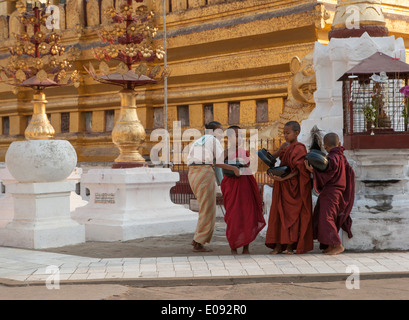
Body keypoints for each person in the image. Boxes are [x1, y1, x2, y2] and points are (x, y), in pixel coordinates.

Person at [187, 121, 241, 252]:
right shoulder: (213, 140)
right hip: (205, 172)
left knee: (205, 206)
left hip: (193, 174)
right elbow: (220, 161)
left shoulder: (199, 141)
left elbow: (215, 162)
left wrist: (220, 182)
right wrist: (234, 168)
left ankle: (197, 239)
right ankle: (198, 242)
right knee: (208, 208)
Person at [265, 121, 313, 255]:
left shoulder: (300, 148)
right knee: (279, 215)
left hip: (293, 186)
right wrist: (279, 150)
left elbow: (300, 169)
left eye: (288, 133)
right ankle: (278, 246)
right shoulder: (285, 146)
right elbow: (271, 159)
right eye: (284, 133)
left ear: (296, 133)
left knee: (292, 216)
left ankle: (290, 246)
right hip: (281, 185)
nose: (285, 135)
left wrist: (284, 178)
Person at [304, 132, 355, 255]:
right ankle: (329, 245)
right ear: (338, 143)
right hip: (334, 192)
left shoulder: (332, 158)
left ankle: (337, 245)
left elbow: (328, 174)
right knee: (322, 216)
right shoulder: (341, 157)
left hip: (332, 192)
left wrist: (313, 171)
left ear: (325, 146)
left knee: (326, 218)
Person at [221, 126, 266, 255]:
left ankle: (246, 247)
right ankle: (233, 247)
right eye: (235, 135)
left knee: (247, 215)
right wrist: (233, 168)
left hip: (245, 184)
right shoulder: (225, 152)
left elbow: (247, 166)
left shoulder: (244, 151)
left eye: (240, 135)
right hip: (231, 186)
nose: (239, 138)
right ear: (229, 138)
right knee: (233, 216)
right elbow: (216, 163)